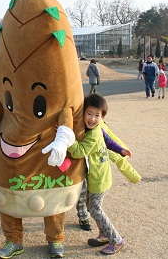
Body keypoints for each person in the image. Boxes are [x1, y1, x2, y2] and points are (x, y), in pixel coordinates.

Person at [67, 94, 132, 255]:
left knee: (95, 209)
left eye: (97, 115)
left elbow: (79, 151)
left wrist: (68, 138)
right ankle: (104, 234)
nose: (92, 119)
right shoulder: (98, 129)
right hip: (98, 177)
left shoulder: (94, 134)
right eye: (89, 114)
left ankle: (117, 240)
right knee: (91, 206)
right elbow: (108, 141)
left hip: (99, 180)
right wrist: (120, 150)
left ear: (102, 117)